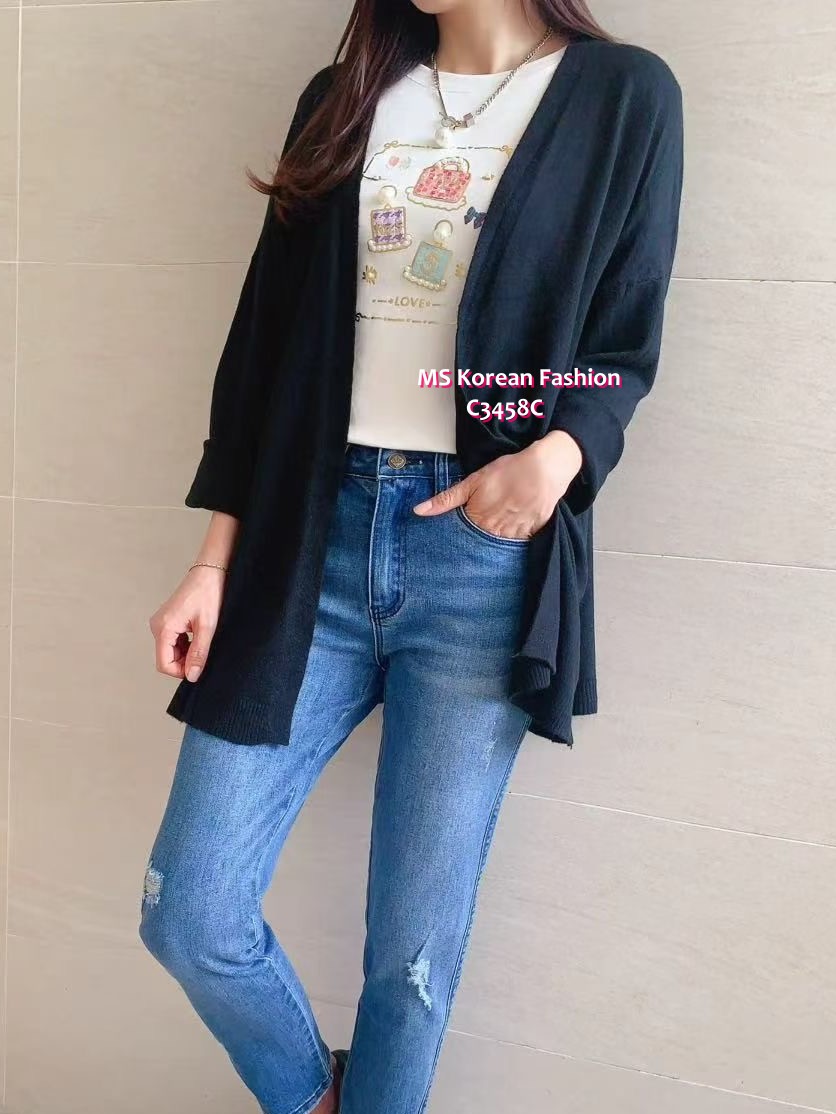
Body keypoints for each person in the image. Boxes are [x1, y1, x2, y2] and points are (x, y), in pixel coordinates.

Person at [139, 1, 684, 1112]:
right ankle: (310, 1095)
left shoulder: (624, 95)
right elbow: (259, 355)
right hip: (309, 543)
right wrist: (213, 560)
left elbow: (624, 340)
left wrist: (556, 460)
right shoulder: (341, 97)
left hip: (481, 561)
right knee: (187, 909)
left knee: (413, 964)